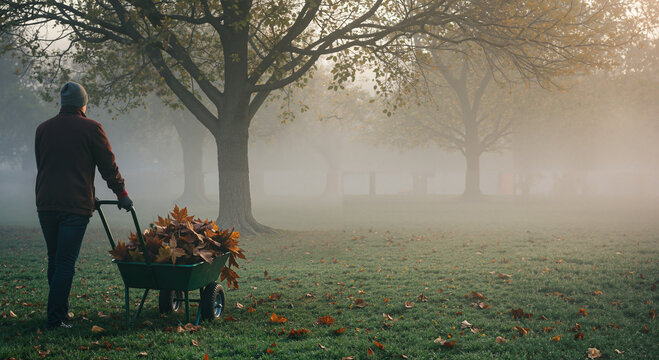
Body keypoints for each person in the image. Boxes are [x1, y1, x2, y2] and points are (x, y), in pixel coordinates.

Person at [35, 81, 133, 330]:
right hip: (74, 206)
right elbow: (107, 166)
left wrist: (89, 193)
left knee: (54, 259)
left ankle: (59, 313)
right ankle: (56, 319)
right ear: (83, 104)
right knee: (65, 261)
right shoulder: (91, 128)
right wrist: (121, 194)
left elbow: (46, 165)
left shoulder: (43, 129)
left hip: (46, 202)